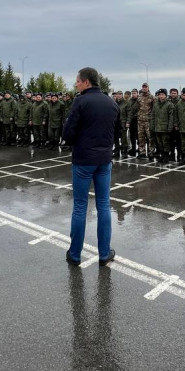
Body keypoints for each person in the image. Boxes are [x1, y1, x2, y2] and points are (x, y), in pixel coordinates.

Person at [62, 67, 120, 267]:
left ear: (86, 82)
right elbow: (118, 132)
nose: (76, 84)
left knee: (80, 206)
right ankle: (104, 253)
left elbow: (68, 134)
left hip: (84, 161)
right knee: (103, 205)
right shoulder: (112, 102)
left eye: (77, 81)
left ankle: (75, 255)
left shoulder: (81, 101)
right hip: (104, 159)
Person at [150, 88, 174, 163]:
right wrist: (152, 126)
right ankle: (162, 155)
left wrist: (170, 127)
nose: (161, 96)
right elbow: (153, 116)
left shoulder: (169, 104)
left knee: (165, 143)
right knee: (160, 143)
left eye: (163, 95)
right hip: (157, 128)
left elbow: (171, 117)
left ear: (166, 96)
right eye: (160, 95)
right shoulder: (156, 104)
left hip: (165, 128)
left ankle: (166, 156)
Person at [135, 83, 154, 159]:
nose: (144, 88)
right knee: (141, 137)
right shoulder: (139, 97)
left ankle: (151, 152)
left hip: (148, 121)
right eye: (143, 87)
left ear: (148, 88)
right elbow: (137, 108)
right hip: (140, 121)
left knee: (150, 137)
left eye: (145, 87)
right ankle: (142, 152)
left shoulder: (152, 97)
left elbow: (154, 109)